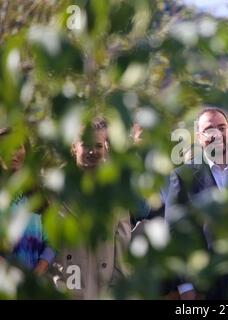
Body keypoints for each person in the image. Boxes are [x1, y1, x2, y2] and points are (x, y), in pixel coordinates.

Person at [165, 106, 228, 300]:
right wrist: (185, 285)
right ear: (199, 137)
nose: (216, 134)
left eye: (222, 127)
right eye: (209, 129)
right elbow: (175, 233)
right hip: (204, 286)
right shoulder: (182, 177)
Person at [51, 116, 132, 299]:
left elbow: (122, 242)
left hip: (102, 286)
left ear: (106, 147)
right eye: (86, 144)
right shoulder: (54, 186)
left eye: (98, 146)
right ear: (74, 146)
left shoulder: (116, 188)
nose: (92, 151)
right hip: (64, 285)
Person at [0, 127, 55, 275]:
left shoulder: (40, 194)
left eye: (18, 147)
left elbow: (52, 241)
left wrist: (38, 271)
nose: (13, 154)